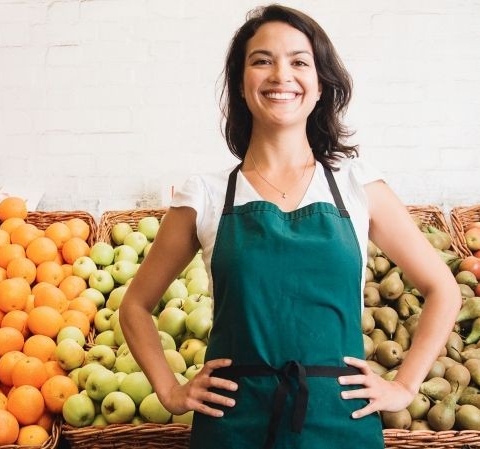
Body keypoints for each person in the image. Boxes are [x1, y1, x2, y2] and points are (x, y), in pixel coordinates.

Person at [119, 4, 460, 449]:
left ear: (320, 85)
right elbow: (135, 307)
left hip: (341, 422)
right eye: (262, 60)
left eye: (299, 62)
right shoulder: (205, 195)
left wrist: (405, 385)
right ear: (241, 85)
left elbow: (444, 290)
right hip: (234, 428)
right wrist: (169, 390)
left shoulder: (357, 186)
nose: (281, 74)